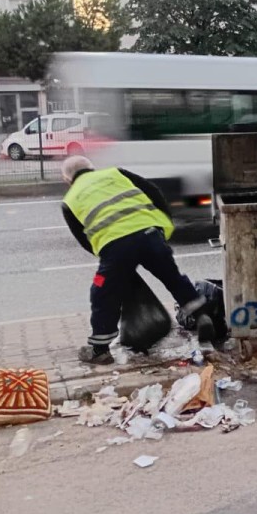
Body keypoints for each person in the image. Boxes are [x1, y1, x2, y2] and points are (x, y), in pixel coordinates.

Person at [60, 155, 206, 365]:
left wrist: (112, 262)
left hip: (116, 248)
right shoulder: (116, 173)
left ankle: (99, 350)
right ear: (92, 168)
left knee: (102, 293)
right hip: (150, 235)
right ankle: (202, 317)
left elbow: (84, 239)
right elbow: (153, 190)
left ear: (67, 180)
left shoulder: (69, 200)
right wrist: (161, 224)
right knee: (172, 277)